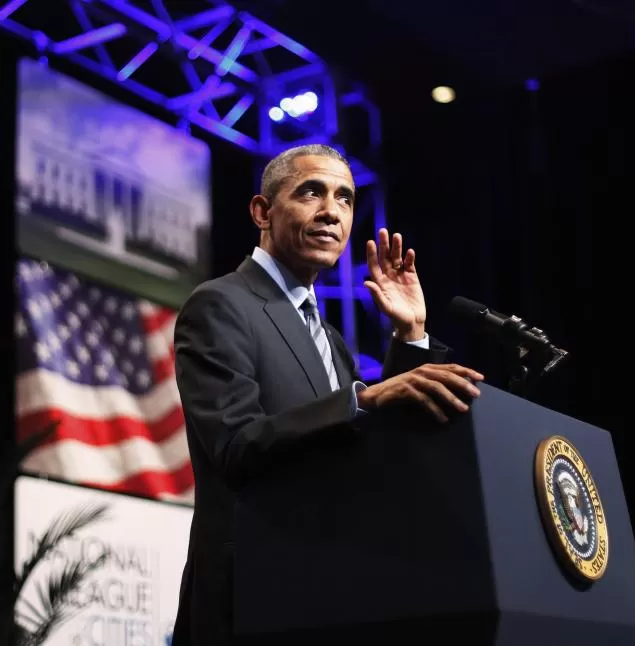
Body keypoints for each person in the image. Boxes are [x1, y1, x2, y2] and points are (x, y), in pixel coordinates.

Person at [171, 144, 484, 645]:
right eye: (311, 192)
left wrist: (411, 335)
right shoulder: (221, 304)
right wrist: (365, 398)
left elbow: (375, 451)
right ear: (262, 212)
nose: (330, 212)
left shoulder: (330, 339)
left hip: (325, 594)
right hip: (250, 600)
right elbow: (235, 445)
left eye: (345, 199)